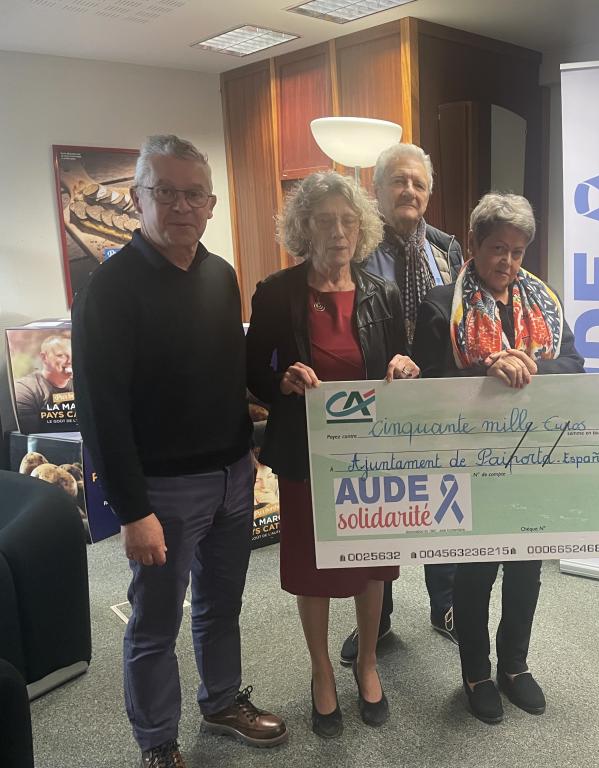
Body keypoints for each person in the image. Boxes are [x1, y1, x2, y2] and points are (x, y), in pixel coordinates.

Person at [72, 135, 286, 768]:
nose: (182, 206)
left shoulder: (220, 276)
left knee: (222, 605)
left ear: (212, 204)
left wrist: (250, 448)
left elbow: (227, 375)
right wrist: (132, 511)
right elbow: (101, 412)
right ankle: (158, 743)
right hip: (162, 492)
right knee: (155, 624)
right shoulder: (109, 289)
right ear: (139, 197)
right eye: (165, 192)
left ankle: (221, 701)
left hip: (231, 477)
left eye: (195, 194)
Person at [246, 170, 419, 739]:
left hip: (369, 455)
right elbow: (253, 371)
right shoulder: (277, 292)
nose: (339, 232)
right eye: (325, 221)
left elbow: (398, 361)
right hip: (306, 452)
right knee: (314, 565)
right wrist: (282, 382)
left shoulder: (382, 292)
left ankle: (367, 663)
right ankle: (322, 671)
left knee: (371, 565)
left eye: (348, 221)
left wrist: (403, 366)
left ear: (362, 228)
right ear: (304, 228)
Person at [412, 192, 585, 724]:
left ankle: (514, 666)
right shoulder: (441, 304)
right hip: (470, 463)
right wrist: (484, 371)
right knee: (475, 573)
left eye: (517, 250)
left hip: (533, 460)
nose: (507, 261)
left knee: (527, 570)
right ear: (473, 244)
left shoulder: (544, 302)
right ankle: (476, 673)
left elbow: (574, 365)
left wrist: (527, 365)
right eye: (497, 248)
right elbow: (426, 389)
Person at [340, 142, 464, 666]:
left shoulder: (449, 250)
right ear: (377, 190)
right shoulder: (355, 250)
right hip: (378, 398)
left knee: (443, 501)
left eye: (418, 183)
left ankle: (445, 605)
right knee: (380, 510)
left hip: (436, 399)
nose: (409, 191)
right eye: (398, 181)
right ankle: (378, 616)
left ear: (429, 193)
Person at [14, 335, 74, 434]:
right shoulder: (25, 388)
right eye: (61, 355)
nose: (70, 361)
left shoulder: (84, 385)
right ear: (44, 357)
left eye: (74, 354)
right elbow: (30, 435)